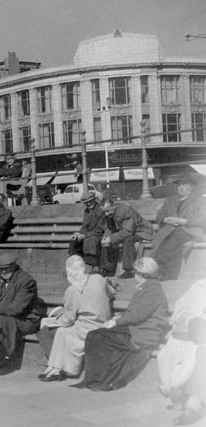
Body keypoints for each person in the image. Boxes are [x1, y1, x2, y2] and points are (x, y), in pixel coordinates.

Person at [72, 257, 170, 391]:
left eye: (136, 273)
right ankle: (96, 379)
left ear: (142, 274)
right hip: (136, 330)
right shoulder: (147, 288)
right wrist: (118, 319)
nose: (135, 276)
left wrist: (115, 321)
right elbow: (136, 313)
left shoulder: (152, 290)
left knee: (96, 336)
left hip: (142, 334)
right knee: (96, 335)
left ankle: (99, 379)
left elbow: (137, 315)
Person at [36, 255, 112, 381]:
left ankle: (59, 368)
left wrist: (54, 320)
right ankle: (56, 367)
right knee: (61, 331)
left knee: (50, 329)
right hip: (103, 322)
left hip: (86, 328)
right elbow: (110, 291)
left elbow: (69, 319)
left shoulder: (72, 289)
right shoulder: (98, 278)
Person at [0, 253, 43, 376]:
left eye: (7, 268)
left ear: (14, 266)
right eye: (1, 268)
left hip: (25, 320)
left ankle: (1, 364)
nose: (3, 271)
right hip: (3, 315)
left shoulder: (26, 281)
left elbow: (16, 308)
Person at [157, 280, 206, 415]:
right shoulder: (200, 285)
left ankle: (173, 388)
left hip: (198, 337)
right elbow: (181, 305)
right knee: (163, 355)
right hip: (185, 331)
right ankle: (170, 388)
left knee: (190, 359)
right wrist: (184, 317)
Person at [152, 173, 206, 280]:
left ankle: (158, 265)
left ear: (191, 187)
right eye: (179, 185)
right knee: (169, 237)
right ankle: (166, 272)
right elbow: (160, 214)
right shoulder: (170, 199)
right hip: (169, 230)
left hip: (190, 230)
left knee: (175, 237)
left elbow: (203, 218)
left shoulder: (200, 200)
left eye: (184, 185)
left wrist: (184, 221)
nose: (180, 187)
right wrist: (165, 219)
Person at [100, 199, 154, 279]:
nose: (106, 214)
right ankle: (107, 269)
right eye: (104, 212)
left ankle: (129, 270)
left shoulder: (125, 211)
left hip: (142, 231)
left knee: (128, 240)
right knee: (107, 243)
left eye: (107, 211)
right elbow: (109, 228)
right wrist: (105, 238)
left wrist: (111, 238)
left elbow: (127, 232)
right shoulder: (109, 214)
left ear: (114, 207)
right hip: (130, 232)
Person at [68, 191, 107, 272]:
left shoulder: (101, 210)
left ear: (95, 200)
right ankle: (76, 267)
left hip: (100, 235)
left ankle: (95, 267)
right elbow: (85, 226)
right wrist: (78, 233)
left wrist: (84, 236)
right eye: (86, 203)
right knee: (74, 240)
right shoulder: (87, 211)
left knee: (90, 241)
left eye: (90, 201)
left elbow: (99, 230)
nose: (88, 204)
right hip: (89, 234)